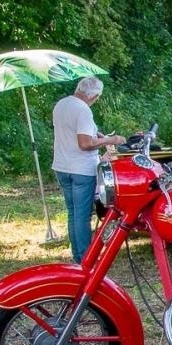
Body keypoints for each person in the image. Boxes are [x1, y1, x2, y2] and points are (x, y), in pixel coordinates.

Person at [52, 76, 123, 263]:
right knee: (83, 215)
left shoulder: (61, 104)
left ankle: (77, 256)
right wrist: (110, 140)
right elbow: (84, 143)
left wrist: (97, 134)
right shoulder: (83, 110)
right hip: (81, 168)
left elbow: (73, 131)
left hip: (62, 165)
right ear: (94, 96)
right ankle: (85, 259)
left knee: (72, 212)